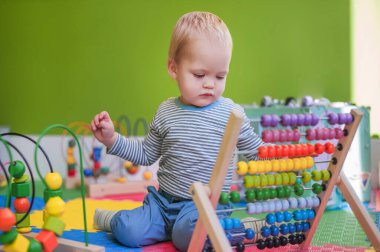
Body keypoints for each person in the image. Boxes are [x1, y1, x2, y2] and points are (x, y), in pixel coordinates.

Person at [91, 11, 264, 251]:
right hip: (163, 205)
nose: (210, 83)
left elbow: (258, 152)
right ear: (174, 68)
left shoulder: (231, 113)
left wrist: (285, 157)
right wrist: (112, 138)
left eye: (220, 76)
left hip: (204, 209)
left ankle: (243, 229)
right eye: (200, 74)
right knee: (127, 230)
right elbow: (145, 154)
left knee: (188, 234)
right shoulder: (166, 111)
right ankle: (113, 220)